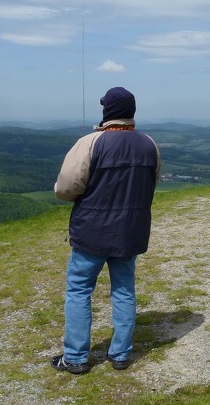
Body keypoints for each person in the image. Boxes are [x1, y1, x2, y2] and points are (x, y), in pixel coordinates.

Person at [52, 87, 161, 374]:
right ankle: (121, 354)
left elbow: (65, 189)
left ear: (108, 111)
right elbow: (152, 181)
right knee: (124, 289)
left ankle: (75, 358)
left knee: (78, 290)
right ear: (131, 112)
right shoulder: (149, 144)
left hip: (91, 232)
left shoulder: (90, 143)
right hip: (130, 231)